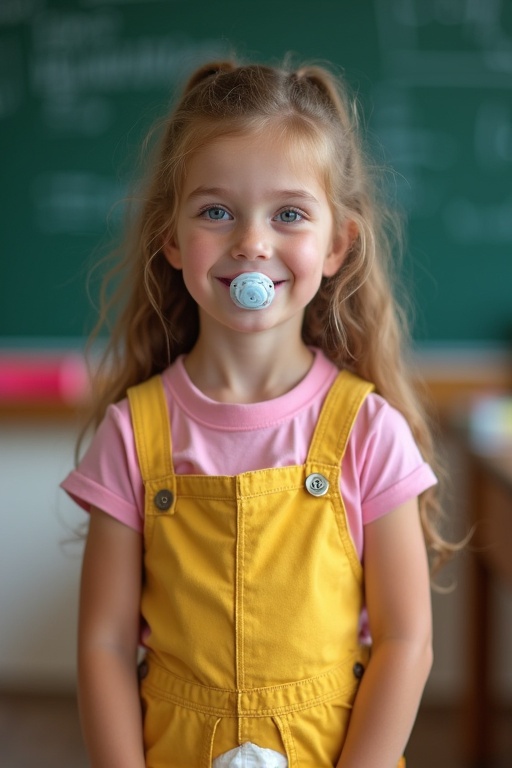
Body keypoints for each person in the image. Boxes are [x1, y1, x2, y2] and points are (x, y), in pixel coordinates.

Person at [62, 59, 455, 768]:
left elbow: (407, 641)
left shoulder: (370, 432)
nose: (251, 242)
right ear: (174, 240)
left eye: (289, 214)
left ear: (336, 245)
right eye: (216, 211)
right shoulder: (133, 434)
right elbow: (104, 644)